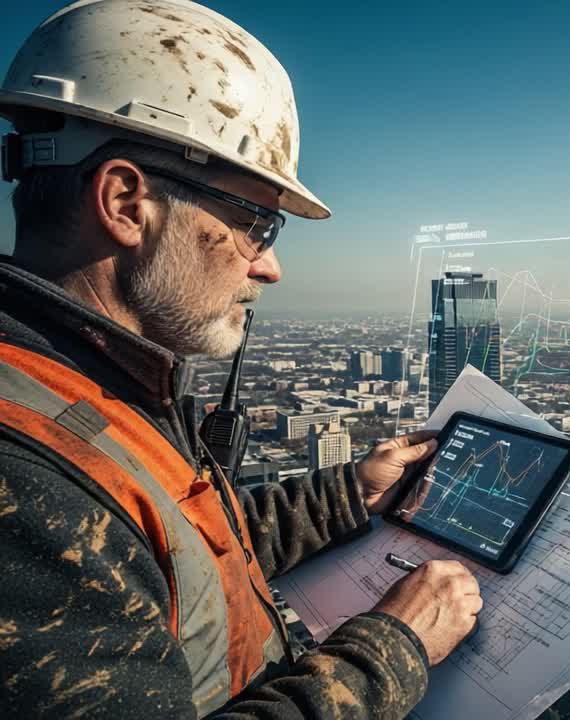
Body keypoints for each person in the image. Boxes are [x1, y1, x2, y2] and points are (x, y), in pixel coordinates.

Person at [0, 1, 481, 717]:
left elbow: (174, 561)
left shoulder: (92, 389)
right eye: (256, 223)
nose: (271, 267)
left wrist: (347, 493)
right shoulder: (23, 488)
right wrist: (394, 647)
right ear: (128, 203)